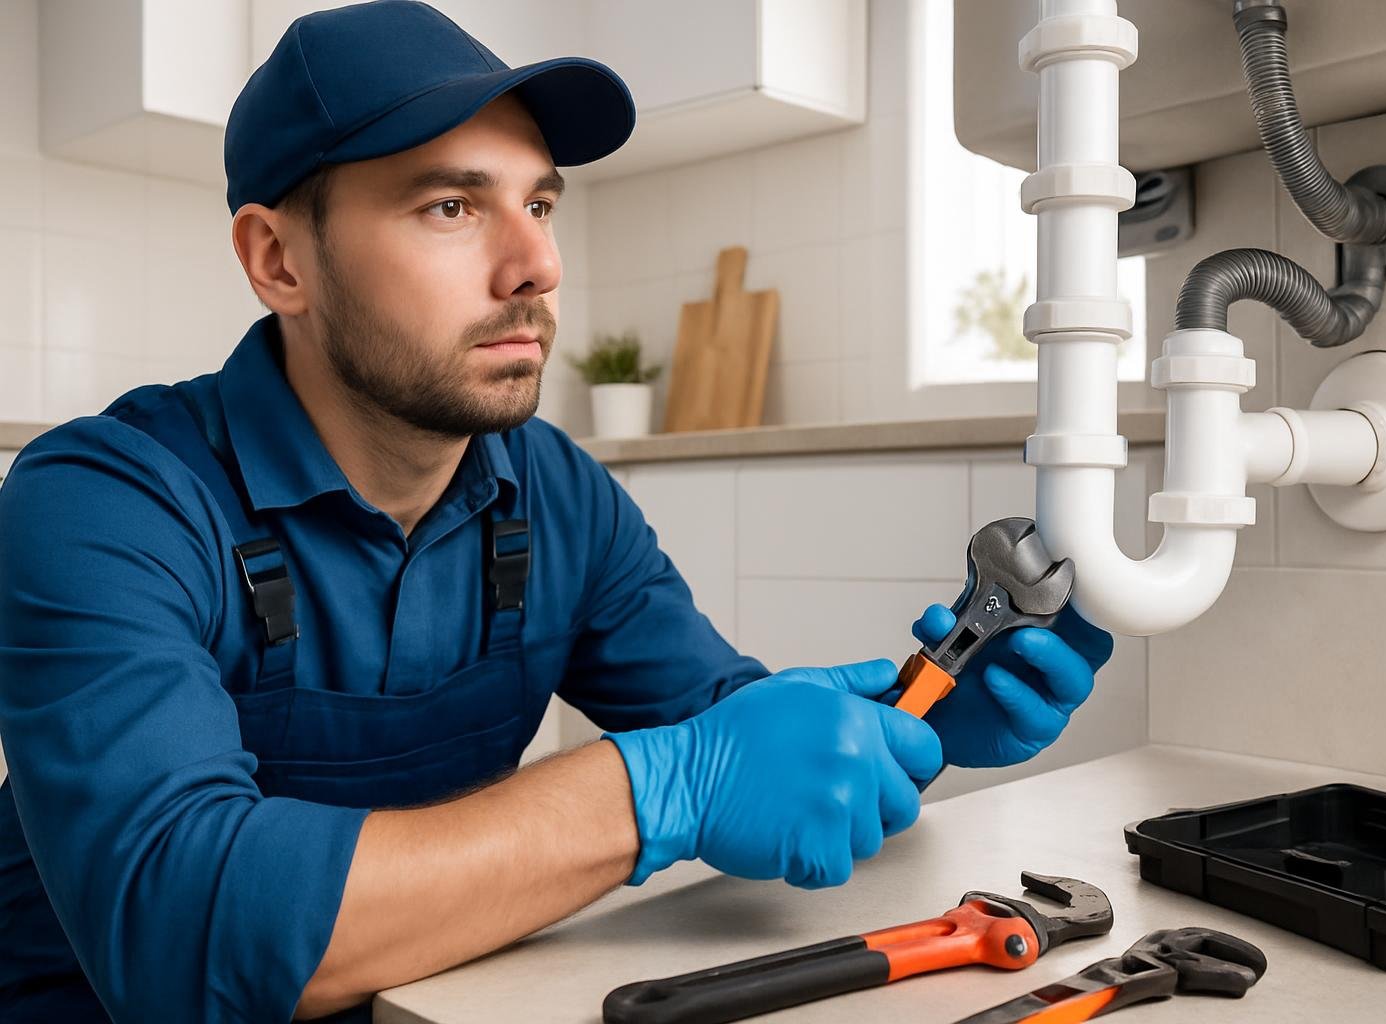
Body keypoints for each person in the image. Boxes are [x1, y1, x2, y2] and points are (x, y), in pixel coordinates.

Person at [0, 2, 1112, 1020]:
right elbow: (179, 931)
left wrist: (920, 722)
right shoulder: (104, 501)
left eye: (538, 203)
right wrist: (659, 784)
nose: (536, 264)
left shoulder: (554, 492)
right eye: (450, 205)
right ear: (279, 260)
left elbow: (736, 730)